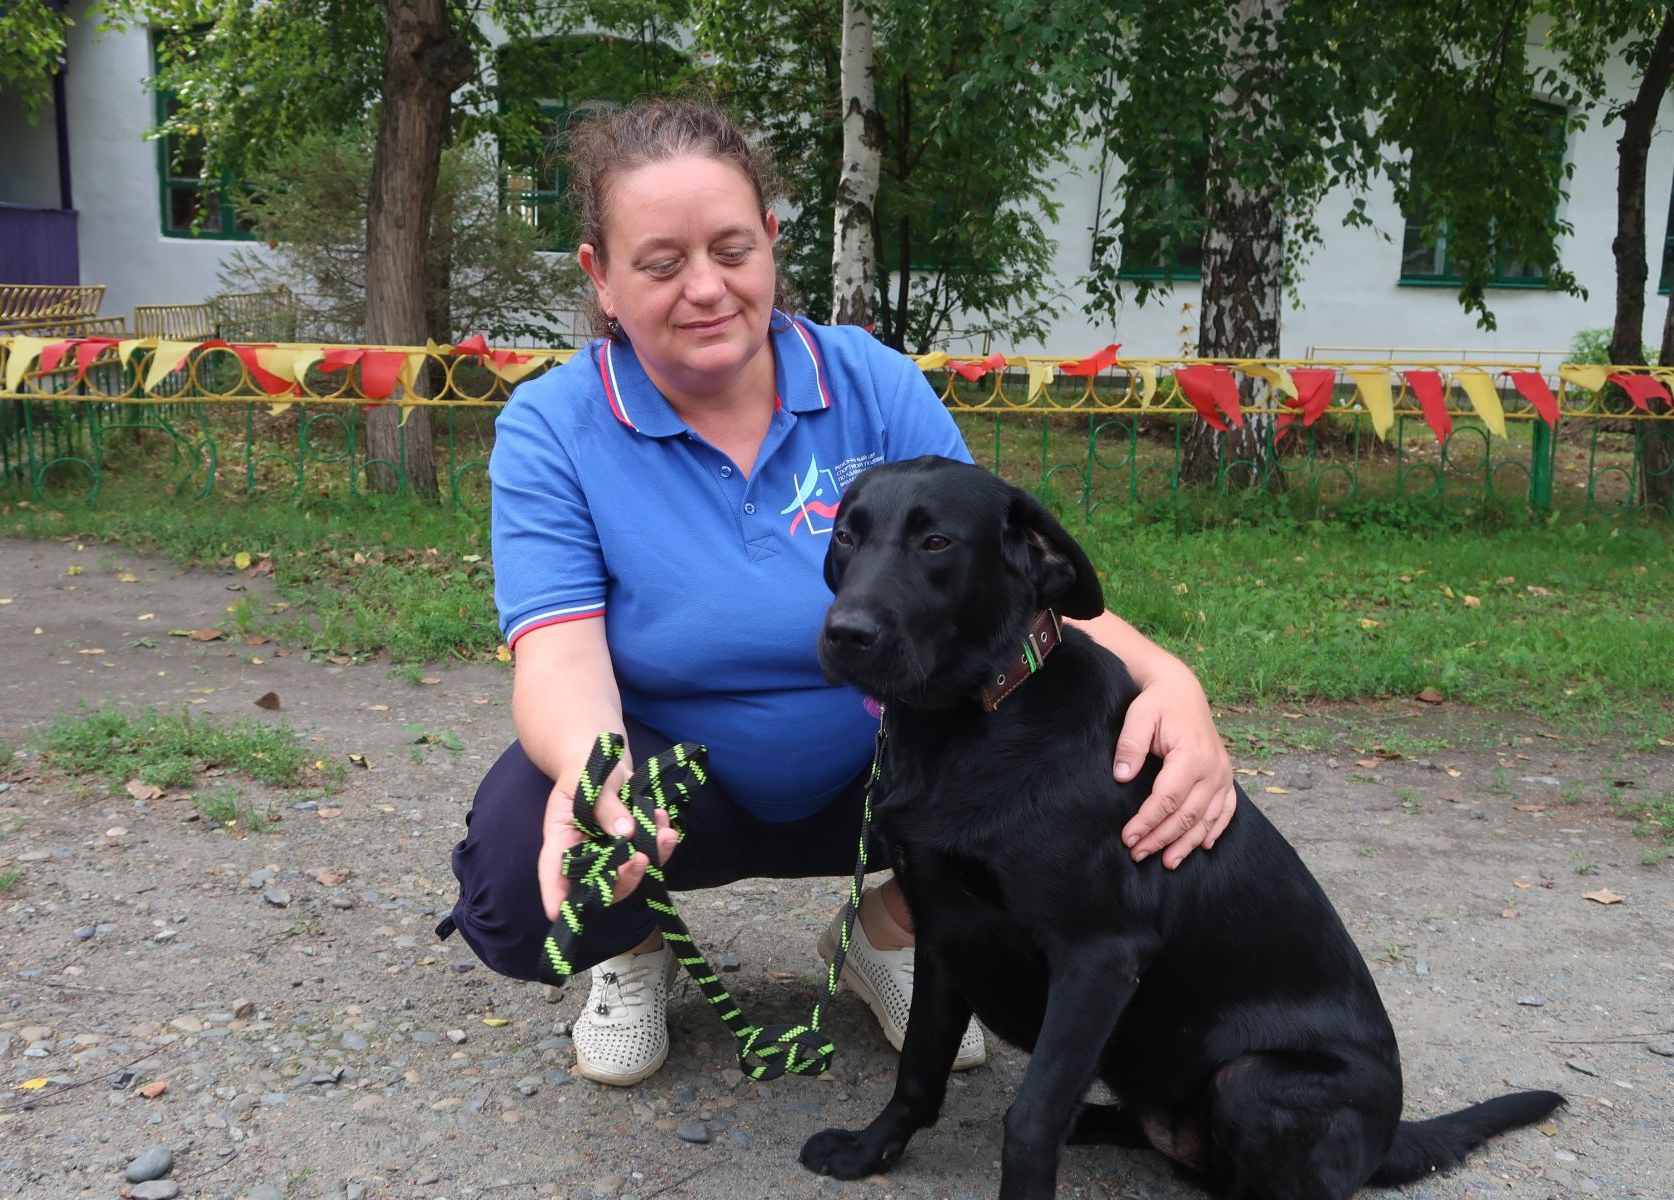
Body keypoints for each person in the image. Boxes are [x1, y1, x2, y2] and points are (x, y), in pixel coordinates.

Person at [439, 96, 1238, 1088]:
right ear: (600, 276)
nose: (706, 288)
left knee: (1110, 769)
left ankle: (889, 929)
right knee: (527, 891)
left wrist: (1172, 680)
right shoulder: (552, 426)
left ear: (772, 243)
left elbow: (996, 582)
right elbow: (558, 655)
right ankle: (632, 945)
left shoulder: (872, 382)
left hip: (886, 771)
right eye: (660, 263)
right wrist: (593, 777)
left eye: (733, 249)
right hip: (680, 781)